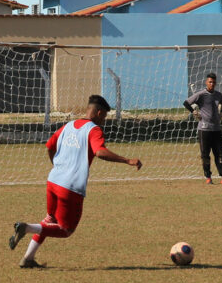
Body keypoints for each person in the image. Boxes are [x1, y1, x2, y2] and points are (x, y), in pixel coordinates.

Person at [9, 95, 142, 268]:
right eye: (104, 117)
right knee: (66, 230)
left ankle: (28, 258)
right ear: (99, 113)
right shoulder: (94, 130)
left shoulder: (68, 126)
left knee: (50, 219)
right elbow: (100, 152)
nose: (104, 121)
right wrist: (127, 160)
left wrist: (58, 167)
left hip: (53, 181)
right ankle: (26, 228)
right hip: (70, 188)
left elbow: (50, 146)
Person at [183, 73, 222, 184]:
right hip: (204, 130)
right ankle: (208, 177)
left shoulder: (218, 95)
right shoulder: (201, 94)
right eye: (210, 82)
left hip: (216, 129)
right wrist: (194, 112)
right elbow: (186, 103)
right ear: (206, 82)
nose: (212, 84)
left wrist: (221, 114)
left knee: (220, 153)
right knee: (205, 155)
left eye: (214, 82)